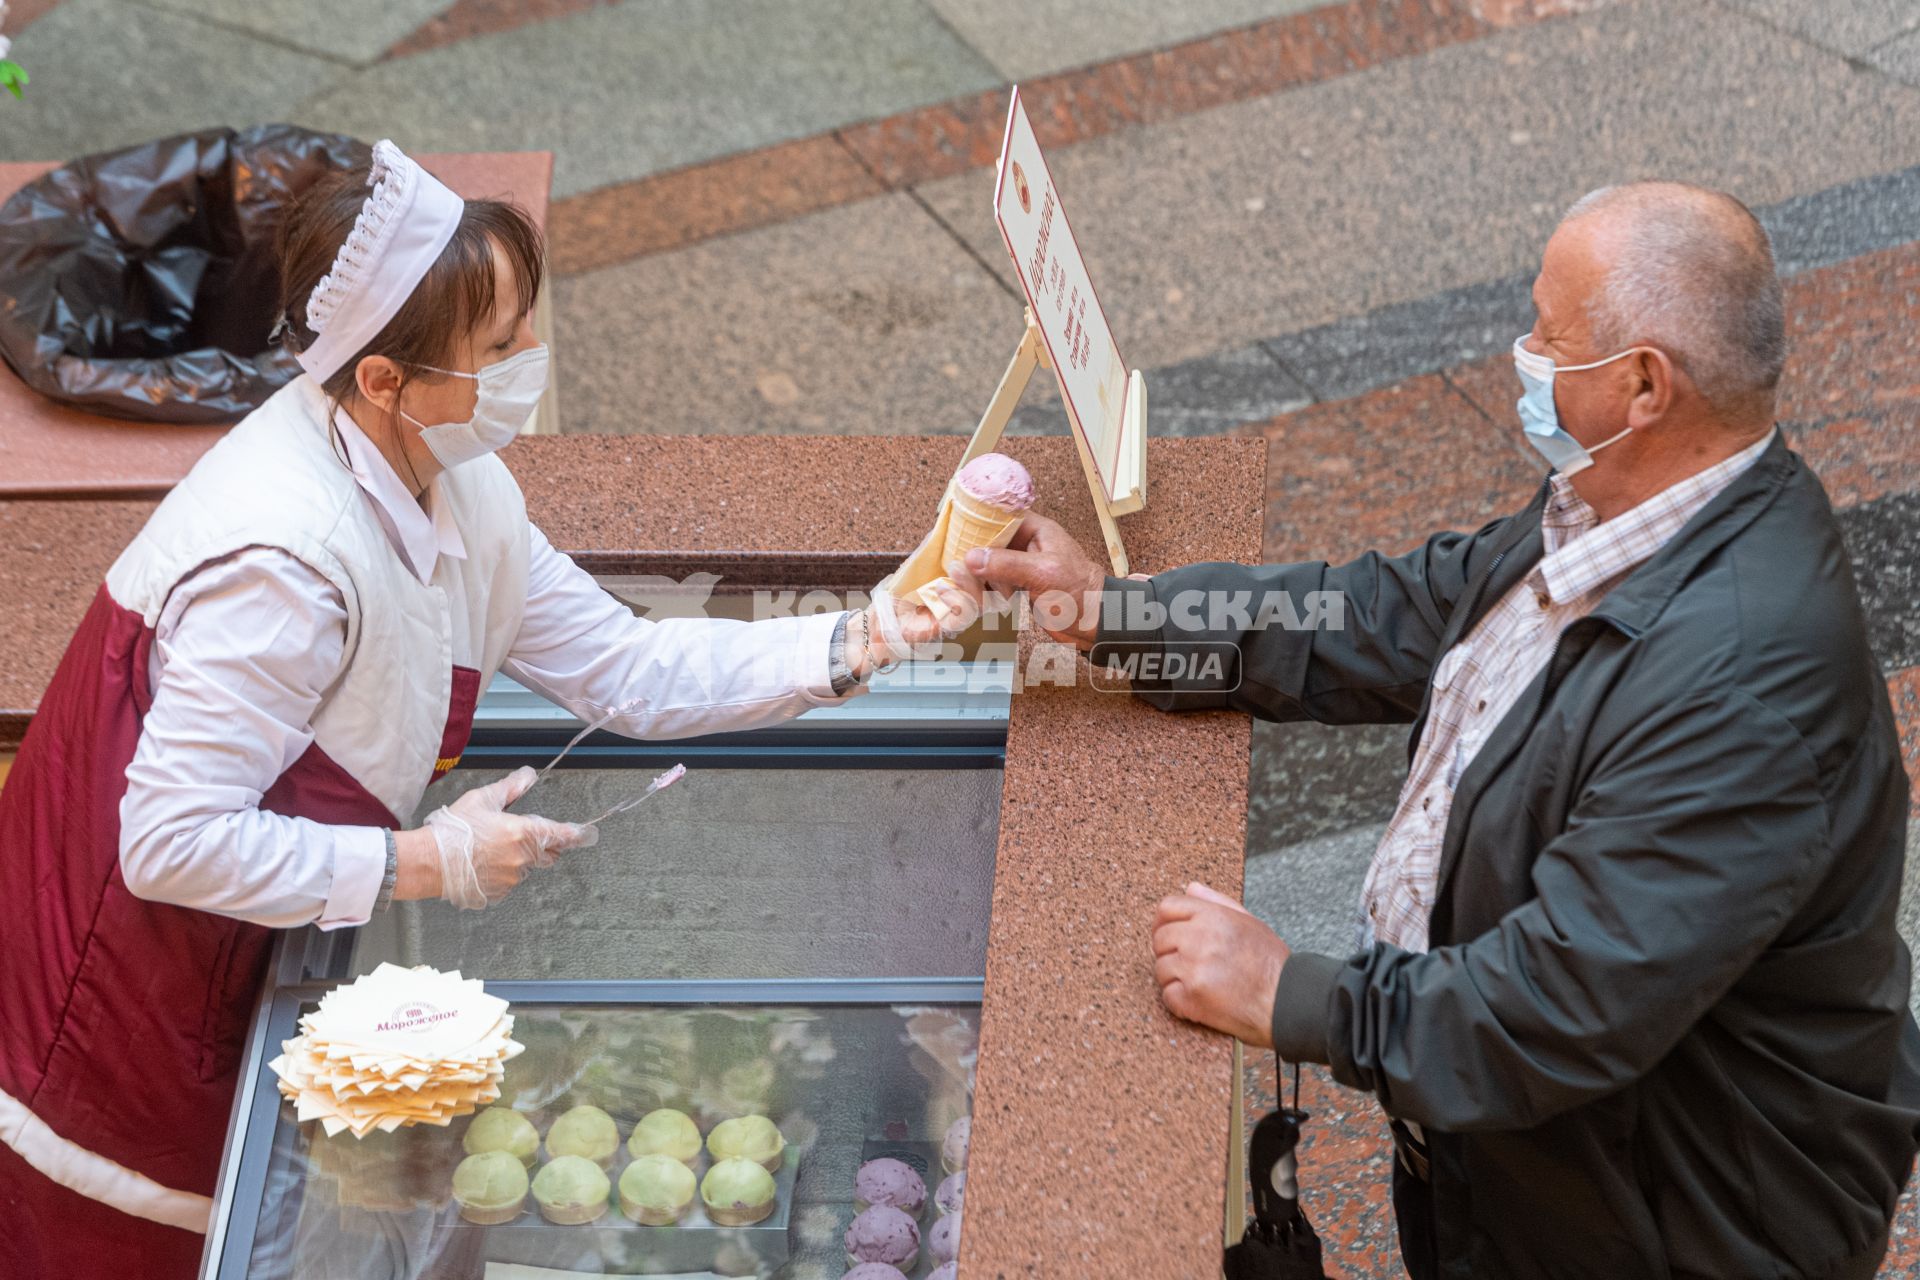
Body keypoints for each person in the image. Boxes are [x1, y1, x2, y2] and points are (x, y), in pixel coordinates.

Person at [0, 141, 978, 1279]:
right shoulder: (279, 563)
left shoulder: (457, 480)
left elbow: (626, 666)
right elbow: (168, 843)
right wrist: (426, 861)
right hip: (128, 1001)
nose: (529, 362)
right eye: (500, 346)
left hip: (258, 950)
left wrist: (859, 636)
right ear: (383, 379)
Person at [972, 182, 1919, 1278]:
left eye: (1548, 336)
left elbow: (1556, 1004)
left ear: (1645, 385)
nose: (1521, 355)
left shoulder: (1743, 685)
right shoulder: (1618, 505)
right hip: (1525, 1172)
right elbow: (1403, 611)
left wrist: (1293, 993)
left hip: (1667, 1223)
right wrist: (1124, 615)